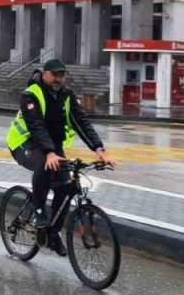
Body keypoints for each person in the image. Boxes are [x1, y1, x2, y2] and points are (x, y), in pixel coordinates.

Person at [6, 59, 113, 256]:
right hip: (24, 143)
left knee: (65, 188)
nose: (58, 79)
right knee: (45, 165)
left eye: (61, 75)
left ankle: (53, 234)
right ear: (45, 74)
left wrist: (98, 149)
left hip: (51, 147)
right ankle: (38, 211)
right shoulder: (31, 94)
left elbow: (81, 121)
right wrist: (49, 152)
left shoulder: (67, 95)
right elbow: (36, 126)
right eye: (54, 75)